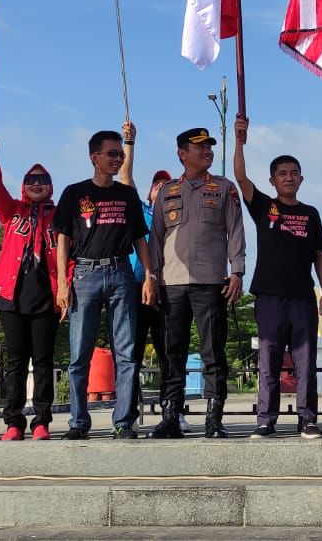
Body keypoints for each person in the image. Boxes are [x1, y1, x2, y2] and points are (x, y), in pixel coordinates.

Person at [233, 115, 322, 438]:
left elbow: (319, 254)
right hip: (269, 295)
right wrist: (239, 140)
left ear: (302, 178)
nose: (288, 178)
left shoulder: (310, 213)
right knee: (269, 360)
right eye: (282, 174)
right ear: (273, 180)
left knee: (305, 363)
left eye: (293, 173)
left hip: (303, 297)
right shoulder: (264, 206)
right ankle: (266, 420)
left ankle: (308, 418)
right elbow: (240, 176)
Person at [55, 129, 156, 440]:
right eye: (111, 154)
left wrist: (149, 275)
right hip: (85, 274)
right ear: (94, 157)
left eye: (120, 154)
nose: (117, 159)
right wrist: (62, 281)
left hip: (121, 274)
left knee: (125, 353)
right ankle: (78, 422)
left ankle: (123, 421)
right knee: (79, 353)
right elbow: (63, 239)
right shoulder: (74, 193)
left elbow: (140, 237)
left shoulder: (126, 195)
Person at [148, 127, 246, 439]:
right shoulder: (166, 192)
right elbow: (156, 240)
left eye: (209, 147)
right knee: (171, 352)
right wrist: (151, 278)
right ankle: (170, 417)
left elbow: (236, 233)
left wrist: (237, 272)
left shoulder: (224, 188)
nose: (207, 151)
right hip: (171, 283)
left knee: (213, 353)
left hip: (210, 282)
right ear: (182, 153)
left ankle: (214, 419)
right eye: (199, 146)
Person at [0, 135, 63, 441]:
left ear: (50, 185)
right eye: (31, 179)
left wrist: (65, 289)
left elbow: (67, 253)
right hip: (12, 296)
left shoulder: (58, 217)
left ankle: (42, 421)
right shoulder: (12, 211)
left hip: (47, 296)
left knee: (43, 361)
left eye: (42, 180)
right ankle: (13, 422)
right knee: (16, 362)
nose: (36, 183)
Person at [116, 125, 178, 427]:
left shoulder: (180, 215)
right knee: (131, 354)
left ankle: (172, 412)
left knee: (169, 354)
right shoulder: (140, 210)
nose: (161, 189)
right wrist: (129, 142)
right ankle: (130, 414)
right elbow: (125, 178)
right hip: (135, 290)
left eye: (167, 185)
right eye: (157, 185)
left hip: (168, 292)